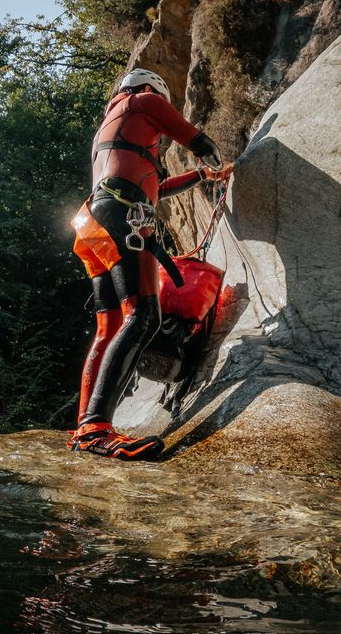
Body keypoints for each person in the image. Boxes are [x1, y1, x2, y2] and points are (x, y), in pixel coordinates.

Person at [69, 69, 232, 460]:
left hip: (93, 220)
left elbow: (159, 187)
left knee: (109, 325)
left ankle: (85, 426)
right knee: (143, 316)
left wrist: (202, 176)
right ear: (148, 90)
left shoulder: (115, 131)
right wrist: (215, 158)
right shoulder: (142, 100)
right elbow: (194, 137)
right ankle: (97, 430)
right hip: (122, 215)